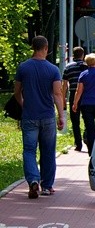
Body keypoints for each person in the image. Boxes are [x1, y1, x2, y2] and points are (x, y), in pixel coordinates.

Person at [14, 36, 65, 198]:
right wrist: (61, 116)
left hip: (29, 116)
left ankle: (33, 180)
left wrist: (24, 105)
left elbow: (16, 92)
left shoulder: (23, 67)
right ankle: (47, 186)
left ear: (33, 47)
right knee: (48, 151)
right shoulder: (53, 69)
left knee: (29, 150)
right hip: (48, 116)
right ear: (46, 47)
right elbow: (57, 94)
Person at [72, 53, 95, 155]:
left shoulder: (83, 74)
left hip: (86, 104)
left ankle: (91, 151)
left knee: (89, 128)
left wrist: (75, 103)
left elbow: (78, 91)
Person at [62, 46, 88, 151]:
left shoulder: (68, 67)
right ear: (83, 55)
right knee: (88, 118)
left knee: (75, 120)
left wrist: (63, 97)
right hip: (86, 95)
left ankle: (78, 144)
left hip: (73, 94)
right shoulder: (87, 67)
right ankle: (87, 135)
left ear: (73, 55)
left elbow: (64, 85)